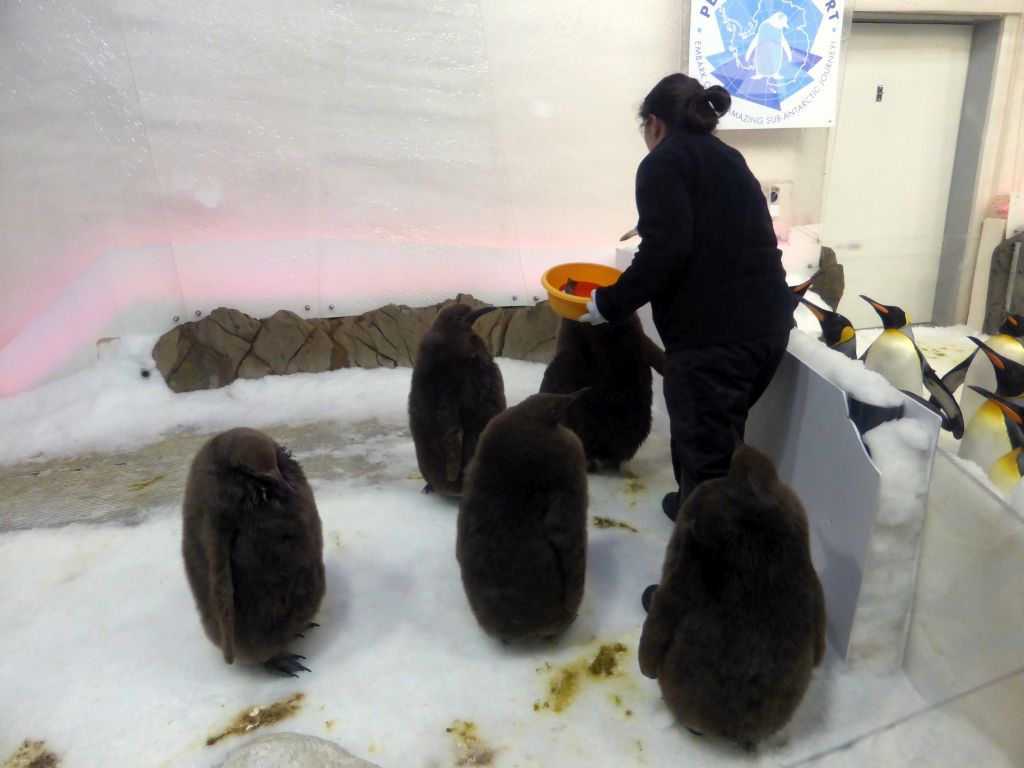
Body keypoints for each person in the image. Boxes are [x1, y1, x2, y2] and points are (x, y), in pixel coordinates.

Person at [580, 73, 795, 537]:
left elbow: (666, 249)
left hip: (714, 339)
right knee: (713, 435)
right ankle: (687, 504)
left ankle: (704, 593)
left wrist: (610, 303)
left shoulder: (663, 163)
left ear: (653, 124)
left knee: (709, 467)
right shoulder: (728, 158)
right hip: (767, 330)